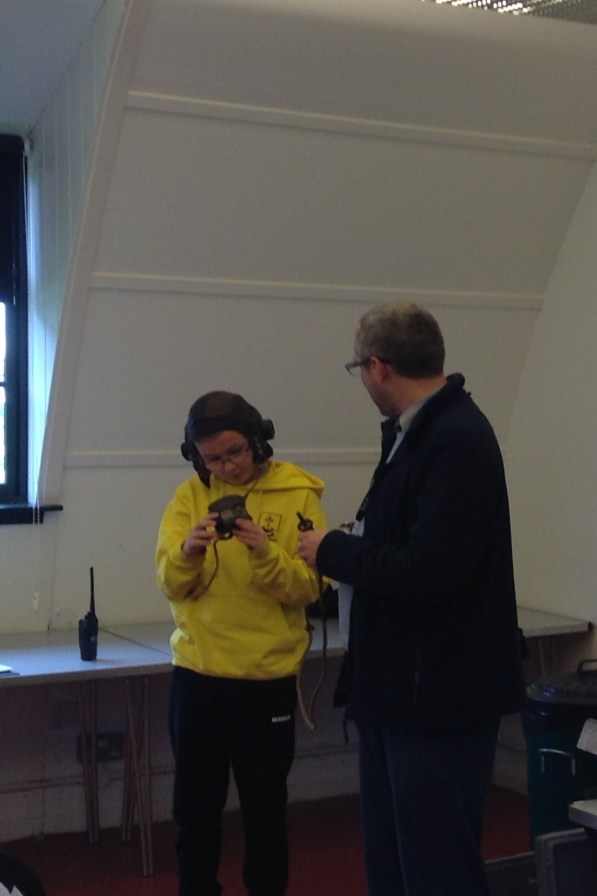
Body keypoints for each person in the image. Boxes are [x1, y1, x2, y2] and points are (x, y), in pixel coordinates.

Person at [297, 303, 525, 896]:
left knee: (435, 867)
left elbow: (432, 570)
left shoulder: (456, 441)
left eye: (358, 370)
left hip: (438, 696)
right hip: (397, 688)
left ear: (378, 366)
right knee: (392, 860)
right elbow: (410, 542)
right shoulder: (416, 433)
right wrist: (357, 541)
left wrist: (333, 552)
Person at [156, 391, 327, 896]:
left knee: (265, 814)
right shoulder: (188, 497)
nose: (227, 466)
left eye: (235, 452)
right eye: (212, 459)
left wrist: (265, 554)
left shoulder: (297, 494)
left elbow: (310, 587)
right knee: (194, 813)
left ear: (258, 440)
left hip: (265, 679)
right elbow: (170, 583)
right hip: (198, 675)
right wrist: (188, 552)